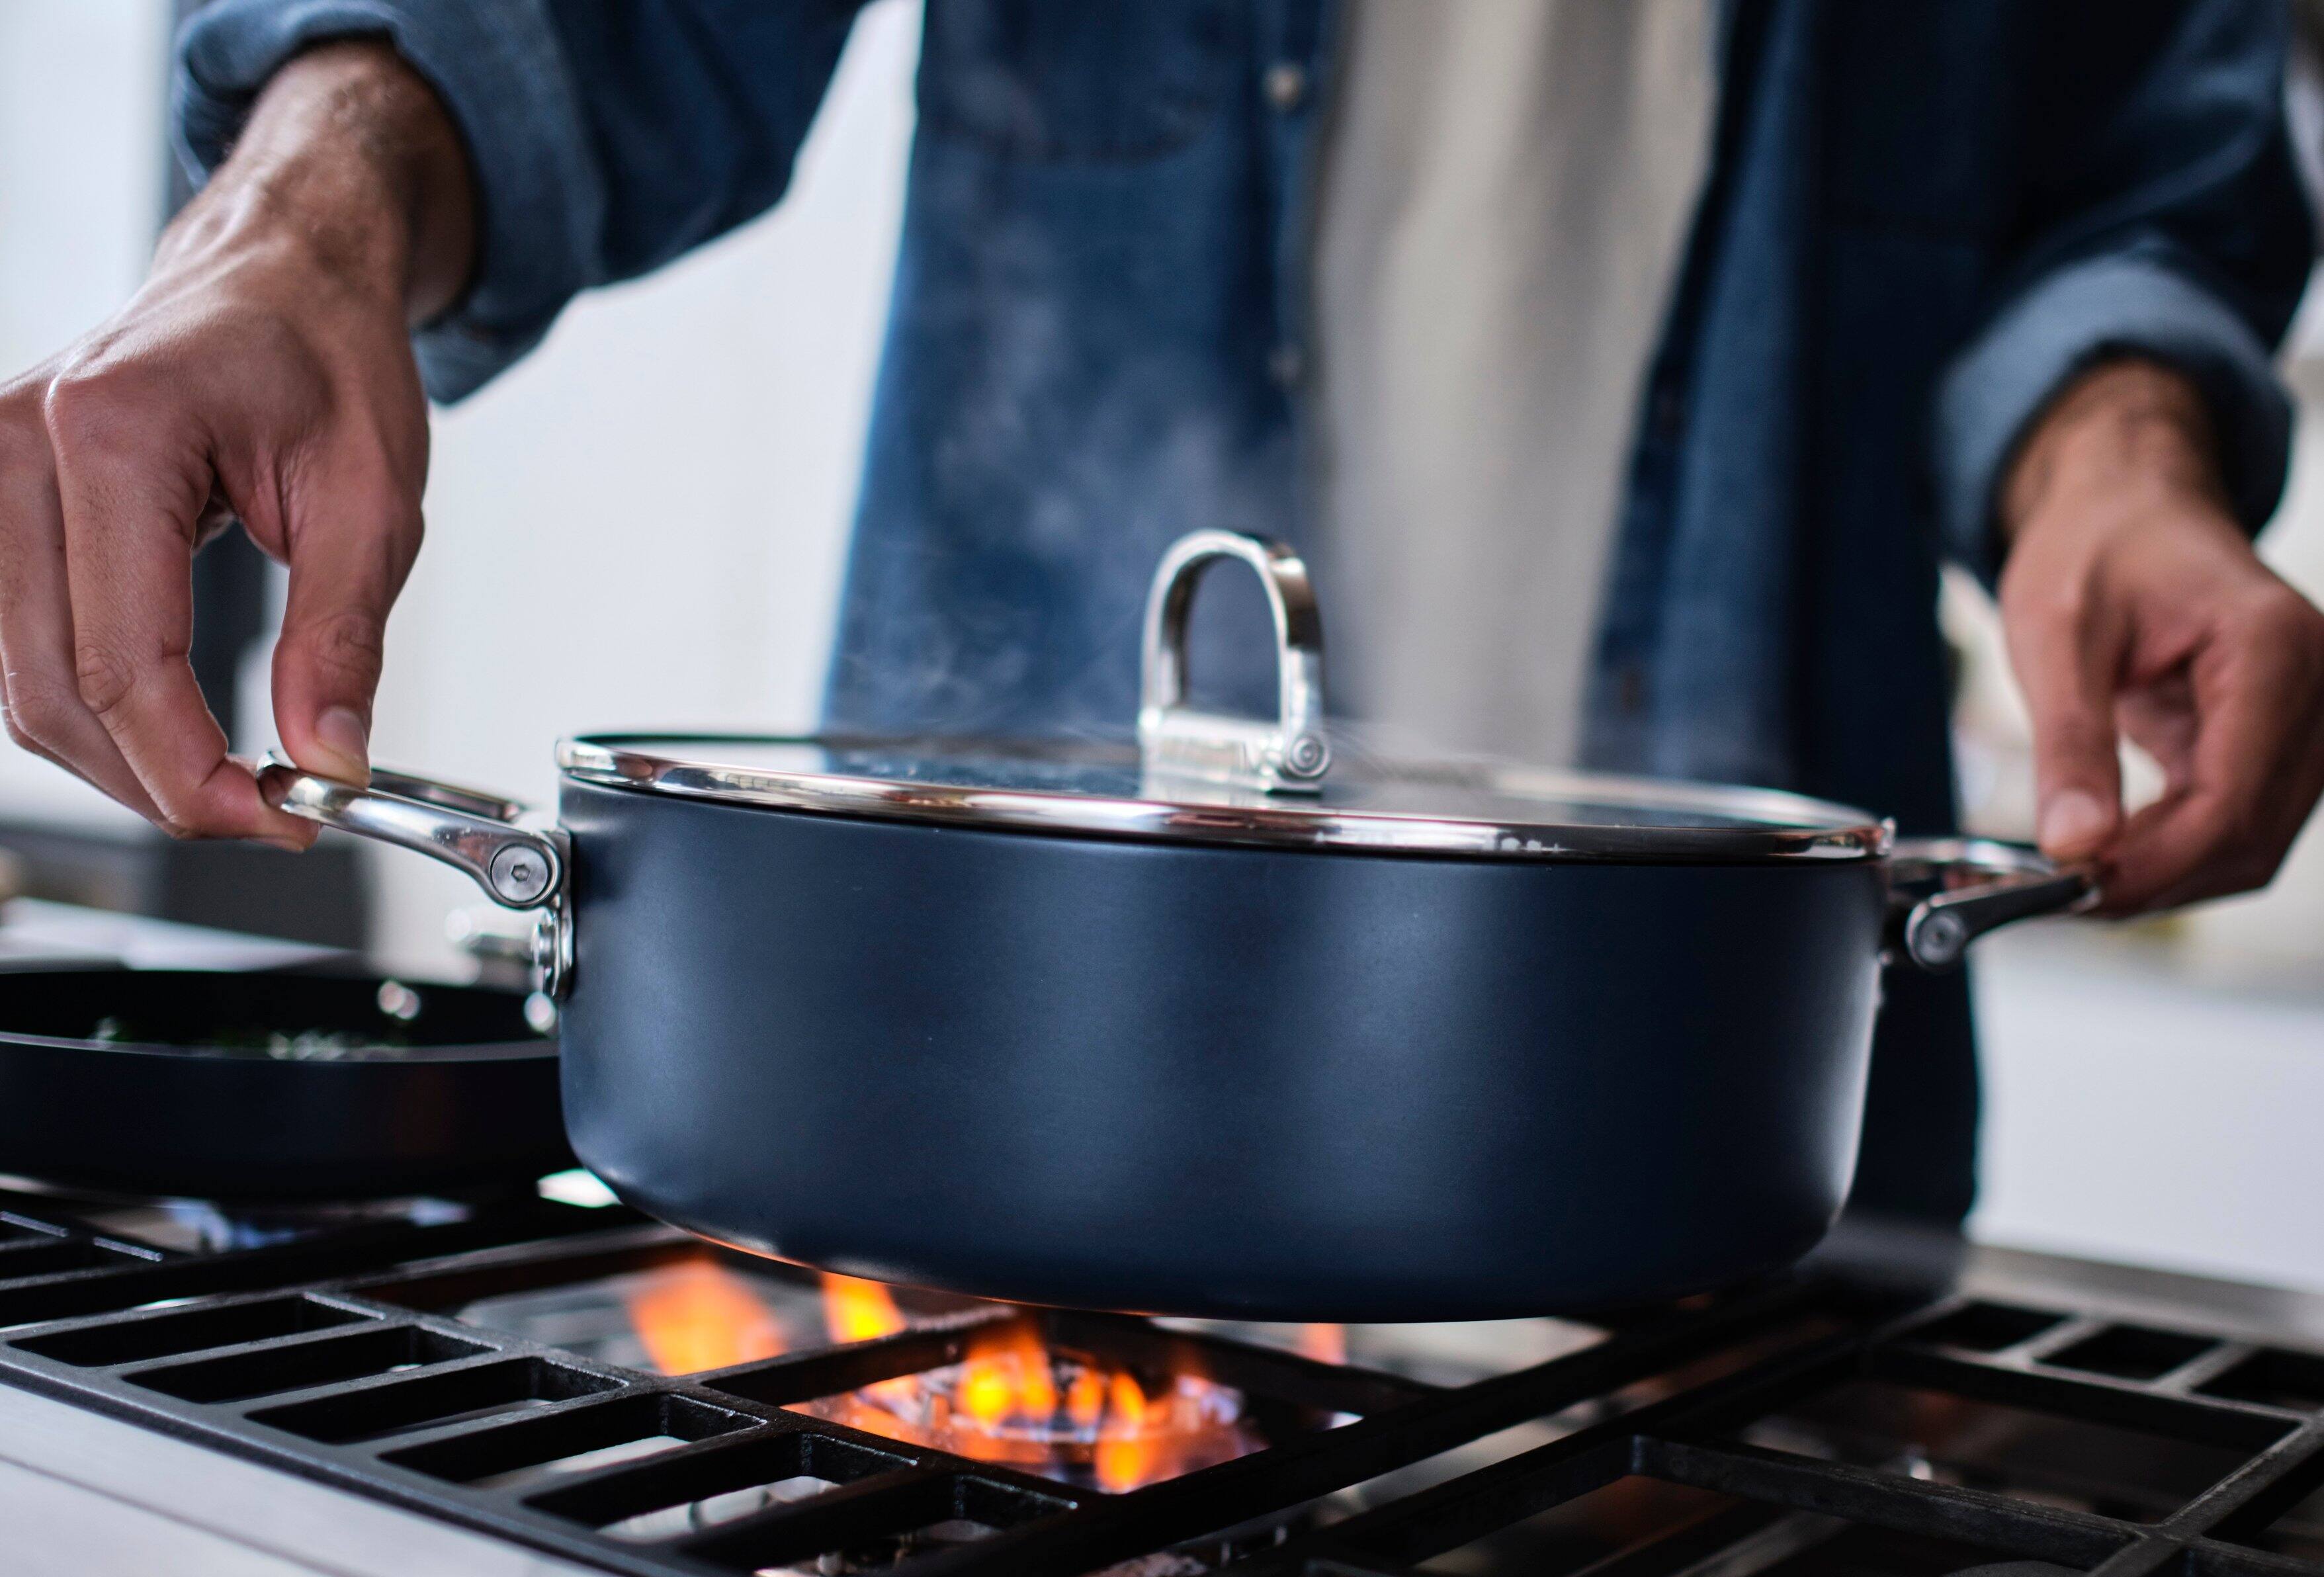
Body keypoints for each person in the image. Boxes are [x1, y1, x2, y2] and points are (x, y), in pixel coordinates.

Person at [1, 1, 2319, 1224]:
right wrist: (304, 202)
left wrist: (2120, 463)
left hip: (1736, 1238)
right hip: (984, 1201)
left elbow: (2140, 179)